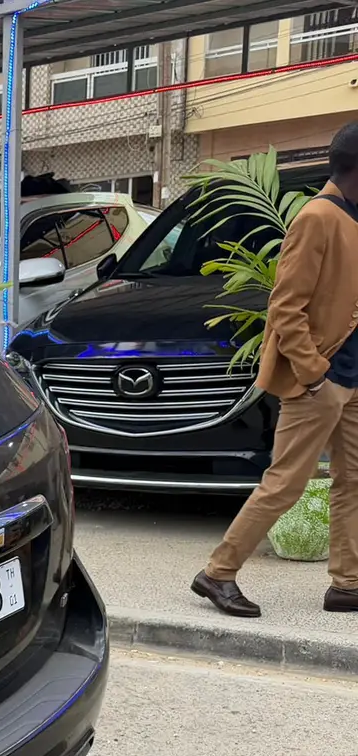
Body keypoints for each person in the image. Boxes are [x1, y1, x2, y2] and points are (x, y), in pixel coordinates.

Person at [193, 120, 358, 618]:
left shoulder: (351, 217)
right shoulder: (318, 217)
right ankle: (218, 573)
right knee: (285, 481)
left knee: (354, 479)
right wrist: (313, 374)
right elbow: (285, 306)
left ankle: (347, 583)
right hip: (322, 380)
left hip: (352, 378)